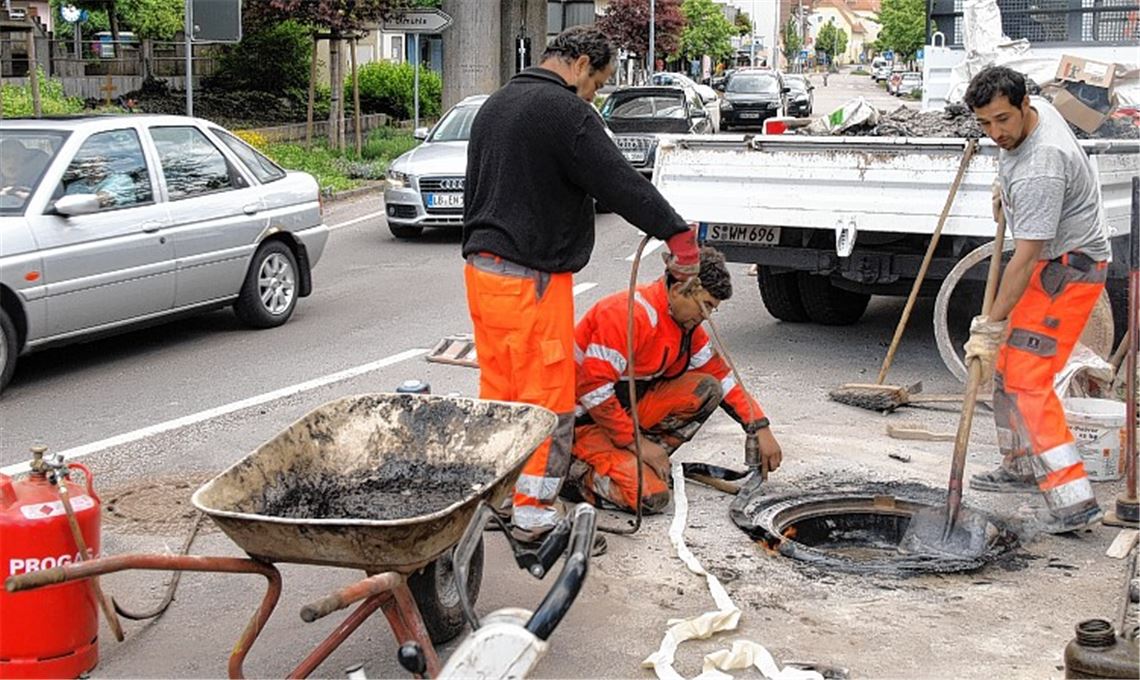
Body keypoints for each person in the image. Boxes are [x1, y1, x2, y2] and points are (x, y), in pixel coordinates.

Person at [462, 26, 700, 545]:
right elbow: (619, 180)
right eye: (598, 80)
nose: (595, 93)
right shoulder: (565, 113)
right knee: (549, 400)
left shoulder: (495, 105)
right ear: (581, 63)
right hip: (532, 279)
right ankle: (533, 515)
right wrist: (677, 236)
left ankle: (496, 496)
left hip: (483, 275)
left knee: (500, 395)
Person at [962, 66, 1110, 533]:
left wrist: (989, 326)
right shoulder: (1035, 111)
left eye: (1003, 120)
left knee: (1027, 378)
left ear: (1025, 105)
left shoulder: (1041, 167)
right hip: (1052, 258)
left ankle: (1073, 498)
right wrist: (1003, 189)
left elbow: (1022, 263)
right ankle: (1020, 466)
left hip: (1068, 269)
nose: (996, 133)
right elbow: (1013, 161)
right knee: (1009, 367)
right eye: (985, 124)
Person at [566, 247, 781, 512]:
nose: (707, 316)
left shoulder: (684, 326)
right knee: (651, 498)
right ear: (680, 290)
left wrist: (759, 426)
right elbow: (594, 390)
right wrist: (638, 445)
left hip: (621, 417)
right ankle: (573, 472)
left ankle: (637, 461)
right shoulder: (626, 315)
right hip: (578, 425)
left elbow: (722, 379)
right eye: (706, 306)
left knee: (706, 389)